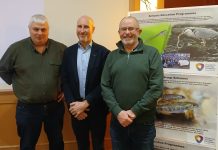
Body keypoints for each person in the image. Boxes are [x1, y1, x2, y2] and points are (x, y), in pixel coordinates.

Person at [0, 14, 66, 150]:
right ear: (29, 29)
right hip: (27, 109)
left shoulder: (61, 49)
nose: (40, 33)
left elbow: (69, 73)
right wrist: (20, 84)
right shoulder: (16, 49)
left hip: (54, 107)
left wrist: (64, 89)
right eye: (36, 29)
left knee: (57, 143)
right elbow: (2, 69)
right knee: (27, 145)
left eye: (43, 29)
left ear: (48, 30)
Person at [101, 16, 163, 150]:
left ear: (139, 31)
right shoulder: (112, 56)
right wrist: (118, 112)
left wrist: (133, 112)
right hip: (118, 123)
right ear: (119, 32)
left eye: (131, 28)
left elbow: (156, 88)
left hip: (143, 124)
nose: (127, 32)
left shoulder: (152, 54)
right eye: (123, 29)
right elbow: (105, 86)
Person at [61, 15, 109, 150]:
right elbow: (65, 81)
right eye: (79, 26)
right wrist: (74, 108)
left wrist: (86, 102)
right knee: (81, 145)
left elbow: (105, 83)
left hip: (97, 109)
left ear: (93, 29)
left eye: (86, 26)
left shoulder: (103, 53)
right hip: (76, 110)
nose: (82, 30)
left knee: (98, 145)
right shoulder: (68, 52)